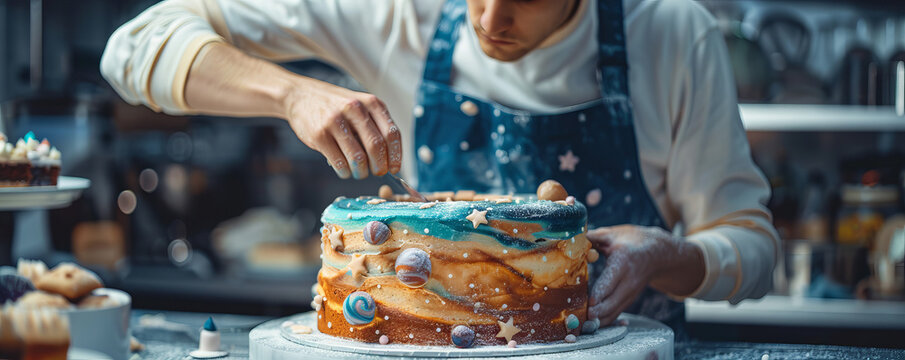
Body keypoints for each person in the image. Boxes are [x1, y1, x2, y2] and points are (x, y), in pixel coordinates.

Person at [100, 0, 779, 333]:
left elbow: (752, 246)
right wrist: (291, 91)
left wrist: (664, 254)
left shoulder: (669, 32)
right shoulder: (398, 12)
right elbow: (135, 46)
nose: (490, 18)